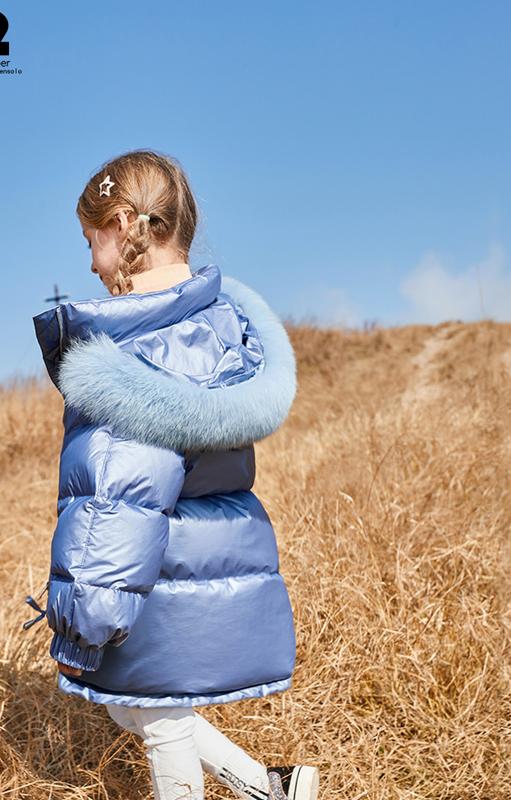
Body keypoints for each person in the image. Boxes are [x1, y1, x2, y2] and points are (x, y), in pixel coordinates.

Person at [31, 150, 319, 800]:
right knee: (135, 708)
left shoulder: (138, 349)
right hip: (198, 566)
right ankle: (271, 788)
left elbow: (117, 502)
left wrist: (82, 626)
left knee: (156, 720)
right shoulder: (210, 328)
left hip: (155, 578)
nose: (90, 262)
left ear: (126, 223)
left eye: (92, 239)